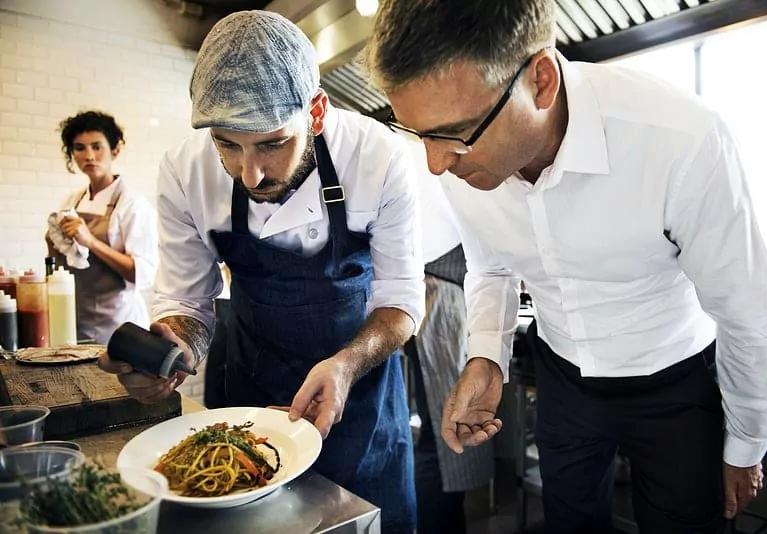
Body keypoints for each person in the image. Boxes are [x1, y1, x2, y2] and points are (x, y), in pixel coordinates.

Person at [364, 1, 767, 533]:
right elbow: (492, 265)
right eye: (418, 134)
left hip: (676, 383)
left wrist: (747, 443)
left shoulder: (678, 140)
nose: (435, 164)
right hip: (563, 380)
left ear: (541, 81)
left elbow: (751, 316)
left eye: (455, 133)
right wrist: (487, 355)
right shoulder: (456, 159)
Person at [99, 11, 424, 533]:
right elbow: (187, 303)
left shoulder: (377, 157)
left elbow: (402, 300)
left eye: (271, 143)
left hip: (361, 401)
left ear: (315, 112)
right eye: (227, 144)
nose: (250, 173)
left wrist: (344, 365)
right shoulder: (184, 172)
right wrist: (176, 351)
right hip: (254, 401)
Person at [406, 142, 494, 533]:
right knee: (437, 445)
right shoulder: (433, 166)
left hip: (437, 303)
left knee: (438, 439)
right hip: (435, 305)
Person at [47, 110, 157, 345]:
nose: (89, 155)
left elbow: (142, 273)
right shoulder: (71, 202)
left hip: (120, 324)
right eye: (79, 148)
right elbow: (60, 267)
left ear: (115, 150)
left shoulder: (133, 204)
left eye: (97, 147)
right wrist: (52, 244)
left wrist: (91, 242)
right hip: (76, 320)